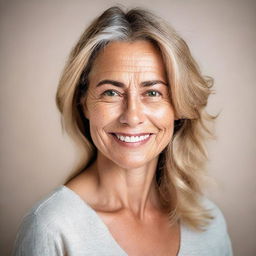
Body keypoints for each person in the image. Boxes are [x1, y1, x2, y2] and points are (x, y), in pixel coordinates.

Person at [12, 6, 233, 256]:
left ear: (178, 106)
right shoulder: (52, 227)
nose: (132, 116)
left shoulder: (209, 224)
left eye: (152, 93)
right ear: (83, 103)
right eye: (111, 92)